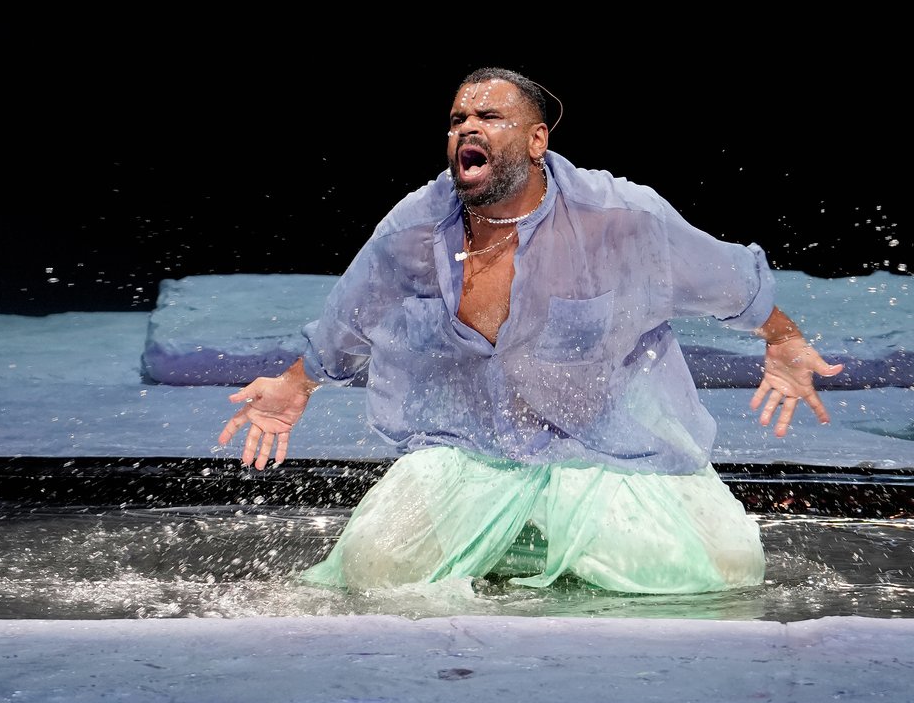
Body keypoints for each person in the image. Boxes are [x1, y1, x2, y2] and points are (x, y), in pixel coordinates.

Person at [218, 67, 844, 597]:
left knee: (727, 570)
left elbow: (734, 282)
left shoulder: (620, 218)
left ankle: (548, 546)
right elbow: (351, 316)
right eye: (458, 118)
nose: (466, 127)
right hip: (475, 449)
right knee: (373, 569)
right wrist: (297, 386)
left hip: (603, 449)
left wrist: (783, 341)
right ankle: (512, 541)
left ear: (537, 138)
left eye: (489, 116)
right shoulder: (415, 227)